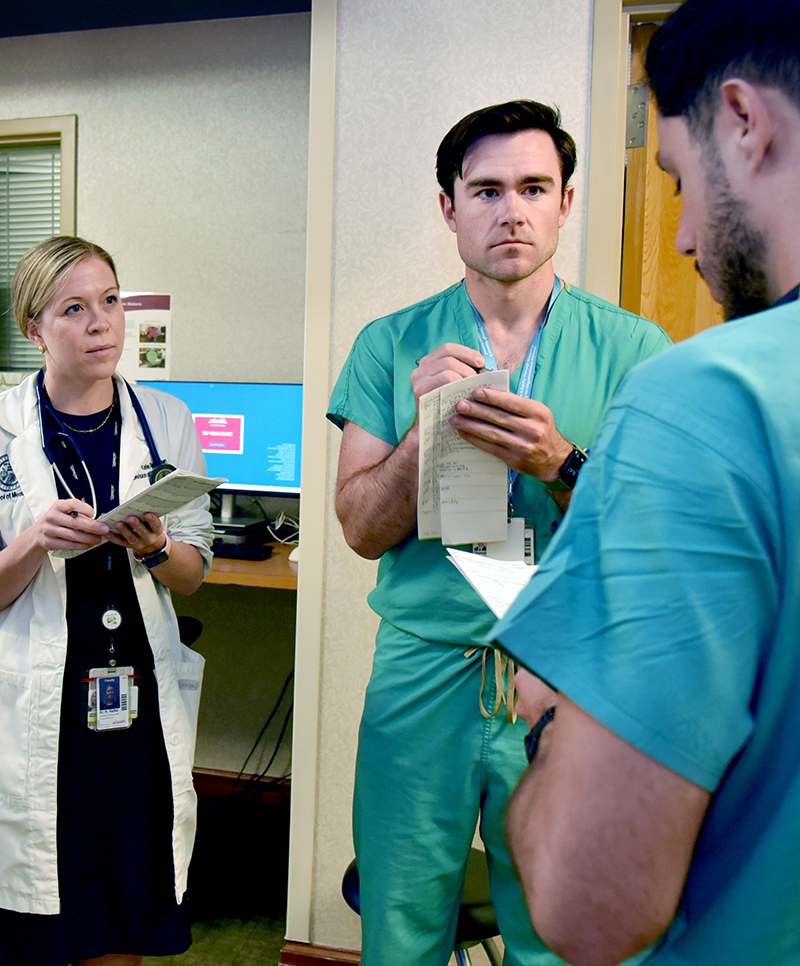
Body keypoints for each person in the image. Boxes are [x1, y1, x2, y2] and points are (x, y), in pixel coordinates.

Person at [327, 100, 671, 966]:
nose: (509, 210)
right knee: (401, 925)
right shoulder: (389, 345)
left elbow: (659, 539)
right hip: (425, 668)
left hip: (567, 677)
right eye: (485, 189)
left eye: (532, 187)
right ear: (449, 206)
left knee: (560, 930)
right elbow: (363, 530)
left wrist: (562, 460)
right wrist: (421, 429)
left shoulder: (635, 350)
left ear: (564, 201)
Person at [494, 4, 800, 964]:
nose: (680, 239)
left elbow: (592, 905)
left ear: (744, 123)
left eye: (675, 177)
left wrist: (559, 715)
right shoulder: (392, 342)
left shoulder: (701, 393)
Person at [0, 236, 213, 965]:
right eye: (75, 309)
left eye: (111, 301)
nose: (102, 323)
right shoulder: (1, 428)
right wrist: (34, 542)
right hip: (30, 705)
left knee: (121, 905)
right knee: (35, 914)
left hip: (131, 709)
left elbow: (191, 575)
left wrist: (155, 547)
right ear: (35, 330)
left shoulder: (168, 420)